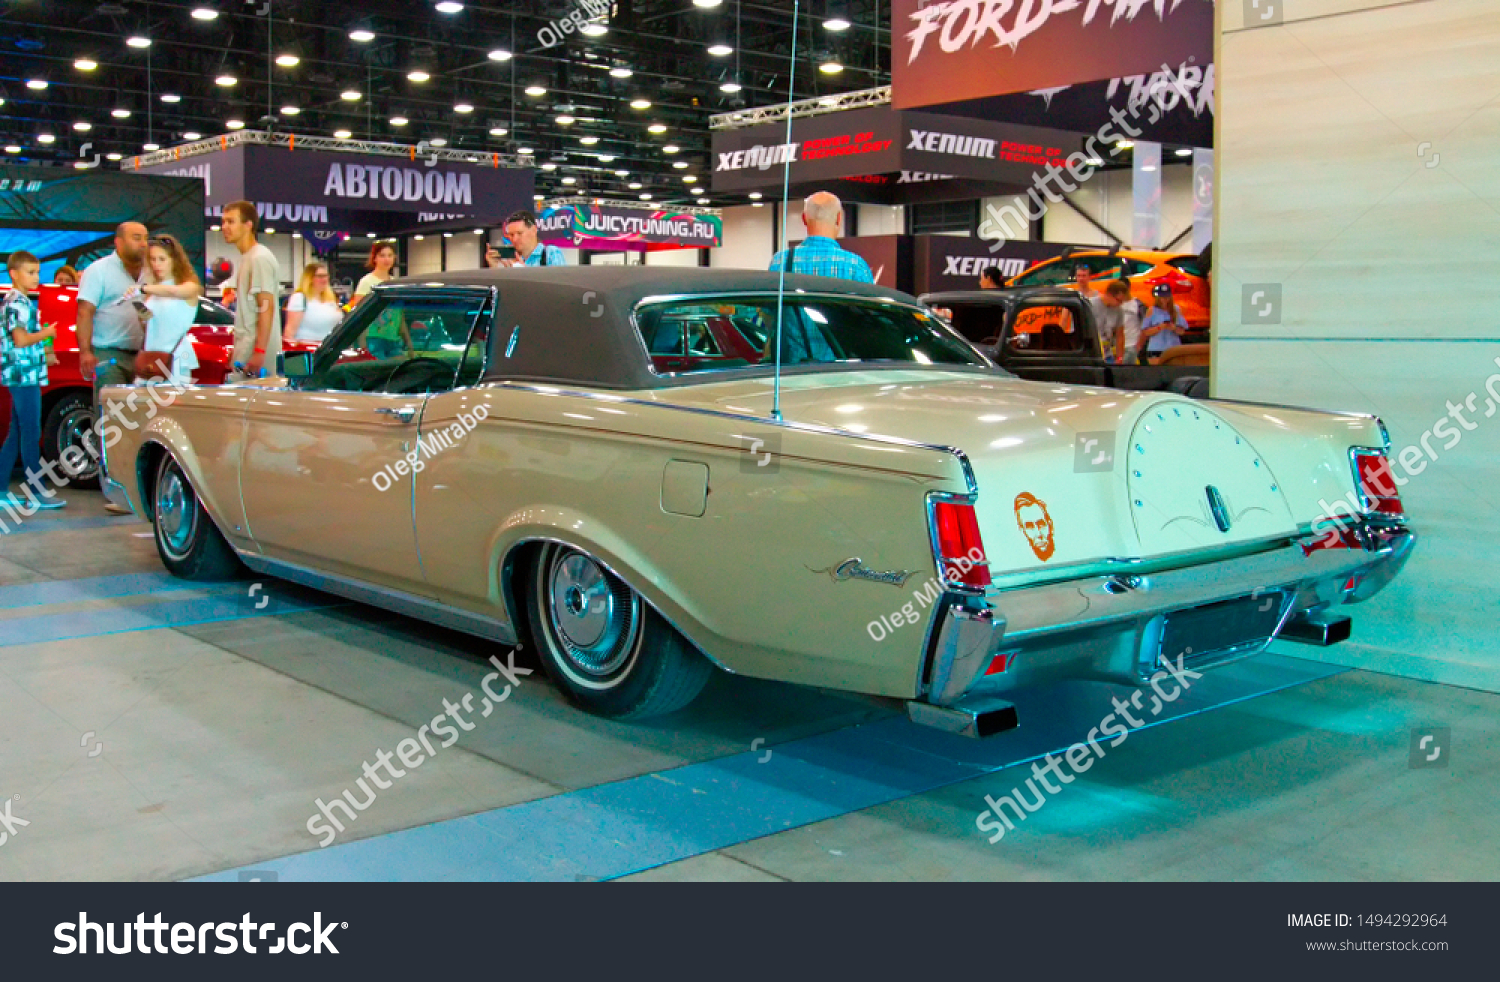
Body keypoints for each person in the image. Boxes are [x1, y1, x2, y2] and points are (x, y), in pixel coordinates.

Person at [0, 252, 65, 510]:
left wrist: (43, 354)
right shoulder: (18, 303)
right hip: (22, 375)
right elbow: (21, 340)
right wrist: (46, 334)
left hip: (23, 373)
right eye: (30, 272)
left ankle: (2, 488)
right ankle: (35, 491)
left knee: (16, 433)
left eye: (37, 272)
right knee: (30, 433)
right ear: (14, 274)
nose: (36, 277)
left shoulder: (19, 301)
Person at [77, 221, 149, 400]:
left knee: (138, 418)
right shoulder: (98, 271)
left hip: (144, 355)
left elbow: (142, 309)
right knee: (112, 416)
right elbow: (85, 312)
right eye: (136, 238)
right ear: (119, 242)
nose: (143, 244)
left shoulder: (151, 271)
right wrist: (85, 351)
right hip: (108, 354)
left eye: (146, 239)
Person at [220, 201, 281, 379]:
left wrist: (259, 351)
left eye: (231, 222)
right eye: (224, 222)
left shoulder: (259, 258)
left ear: (248, 225)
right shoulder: (247, 258)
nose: (225, 227)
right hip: (246, 348)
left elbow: (266, 307)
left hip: (256, 353)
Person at [132, 234, 202, 386]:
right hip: (150, 360)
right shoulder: (152, 290)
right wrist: (140, 311)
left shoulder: (189, 286)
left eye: (162, 259)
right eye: (153, 259)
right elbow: (149, 326)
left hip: (176, 360)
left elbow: (173, 291)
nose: (157, 264)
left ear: (174, 260)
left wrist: (143, 288)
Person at [768, 192, 874, 283]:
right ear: (838, 218)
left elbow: (768, 305)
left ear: (804, 218)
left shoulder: (781, 261)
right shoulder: (856, 266)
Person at [284, 262, 344, 343]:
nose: (325, 279)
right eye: (320, 276)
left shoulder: (330, 299)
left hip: (329, 349)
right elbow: (289, 332)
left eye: (326, 276)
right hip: (307, 349)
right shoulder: (300, 298)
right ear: (310, 278)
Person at [490, 211, 567, 267]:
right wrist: (494, 268)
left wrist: (524, 274)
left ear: (534, 230)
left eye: (519, 233)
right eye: (511, 235)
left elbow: (559, 285)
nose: (514, 239)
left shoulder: (551, 253)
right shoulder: (510, 260)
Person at [1096, 278, 1145, 365]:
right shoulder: (1092, 305)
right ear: (1109, 295)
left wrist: (1119, 358)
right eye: (1119, 300)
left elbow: (1120, 336)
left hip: (1107, 354)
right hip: (1093, 354)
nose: (1121, 304)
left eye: (1122, 301)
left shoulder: (1119, 311)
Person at [1140, 283, 1189, 361]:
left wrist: (1174, 328)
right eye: (1162, 297)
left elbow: (1182, 331)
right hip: (1156, 348)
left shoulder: (1176, 309)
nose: (1165, 299)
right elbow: (1145, 331)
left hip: (1173, 347)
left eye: (1167, 297)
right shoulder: (1152, 310)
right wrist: (1160, 327)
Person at [352, 240, 397, 307]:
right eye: (382, 255)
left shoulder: (395, 281)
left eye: (390, 255)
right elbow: (358, 308)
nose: (387, 259)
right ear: (374, 258)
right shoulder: (366, 281)